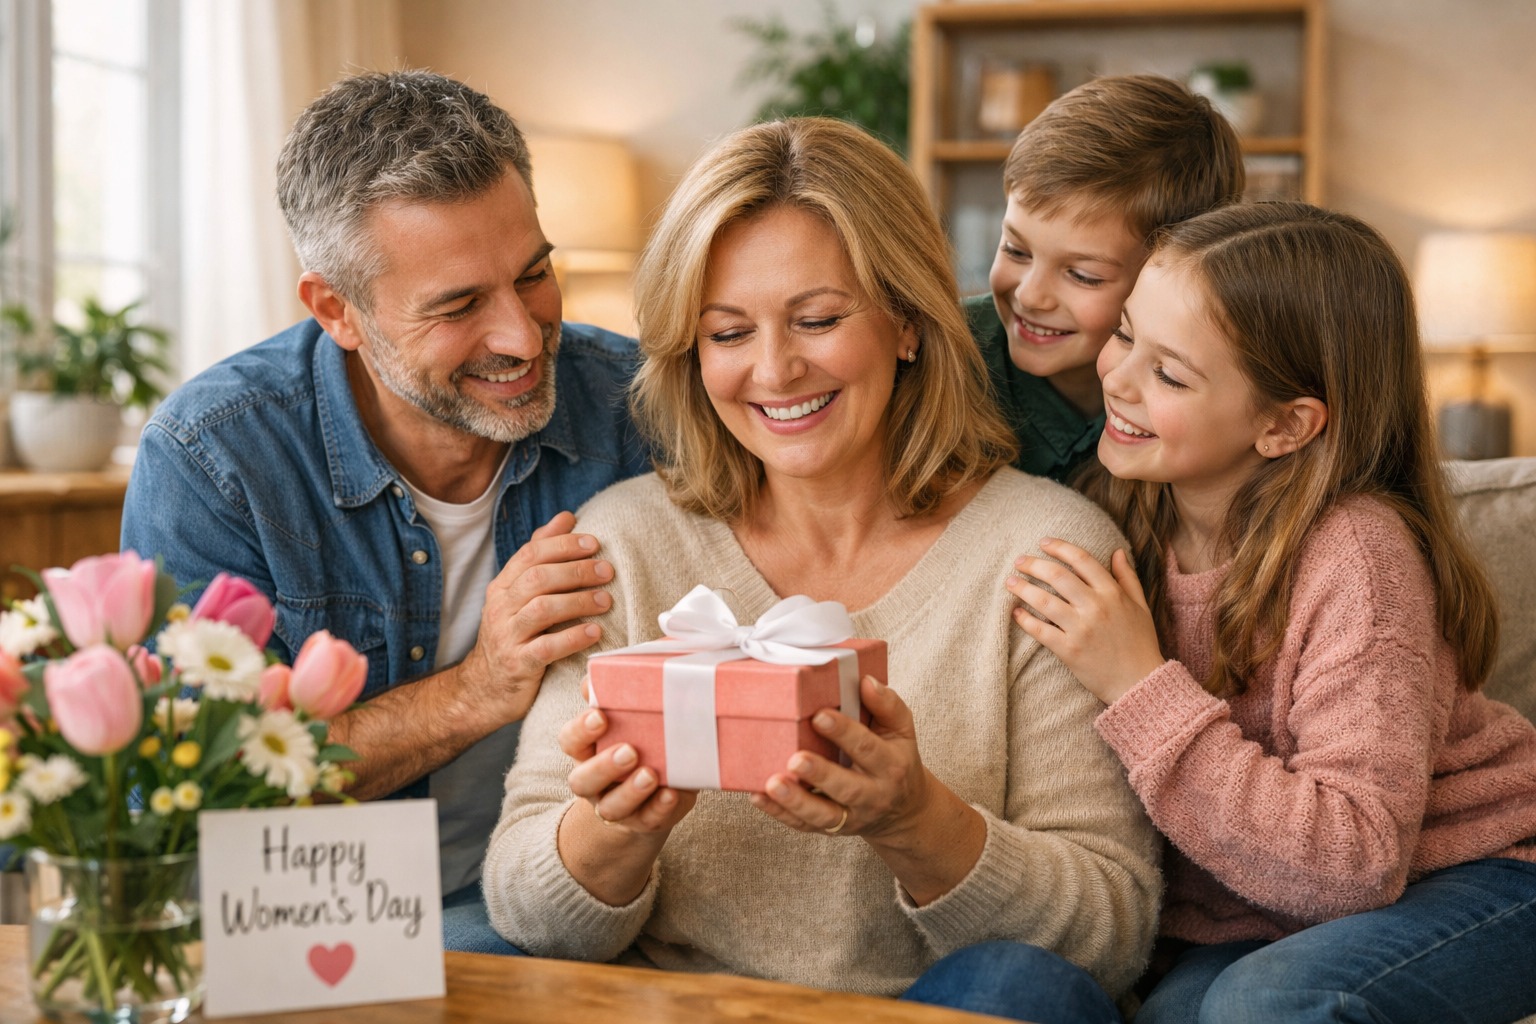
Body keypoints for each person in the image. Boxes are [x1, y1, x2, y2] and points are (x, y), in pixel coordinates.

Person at [482, 117, 1160, 1024]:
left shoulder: (1043, 554)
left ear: (910, 324)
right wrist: (612, 830)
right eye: (728, 333)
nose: (774, 369)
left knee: (1021, 990)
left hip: (927, 1011)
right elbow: (525, 906)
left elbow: (1109, 936)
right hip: (674, 1009)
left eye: (818, 320)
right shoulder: (626, 543)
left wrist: (915, 821)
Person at [120, 70, 648, 952]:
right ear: (339, 310)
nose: (522, 335)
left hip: (574, 909)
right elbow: (198, 791)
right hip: (309, 935)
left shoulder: (636, 408)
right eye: (459, 306)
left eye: (534, 274)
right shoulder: (215, 457)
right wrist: (480, 686)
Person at [1011, 201, 1536, 1023]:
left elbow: (1354, 864)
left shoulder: (1358, 557)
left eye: (1170, 374)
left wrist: (1138, 682)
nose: (1115, 378)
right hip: (1247, 915)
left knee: (1268, 1004)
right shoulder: (1121, 515)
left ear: (1285, 424)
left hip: (1483, 872)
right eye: (1125, 335)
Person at [971, 74, 1245, 484]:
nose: (1030, 296)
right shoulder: (943, 352)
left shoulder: (1209, 401)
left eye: (1083, 276)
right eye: (1015, 250)